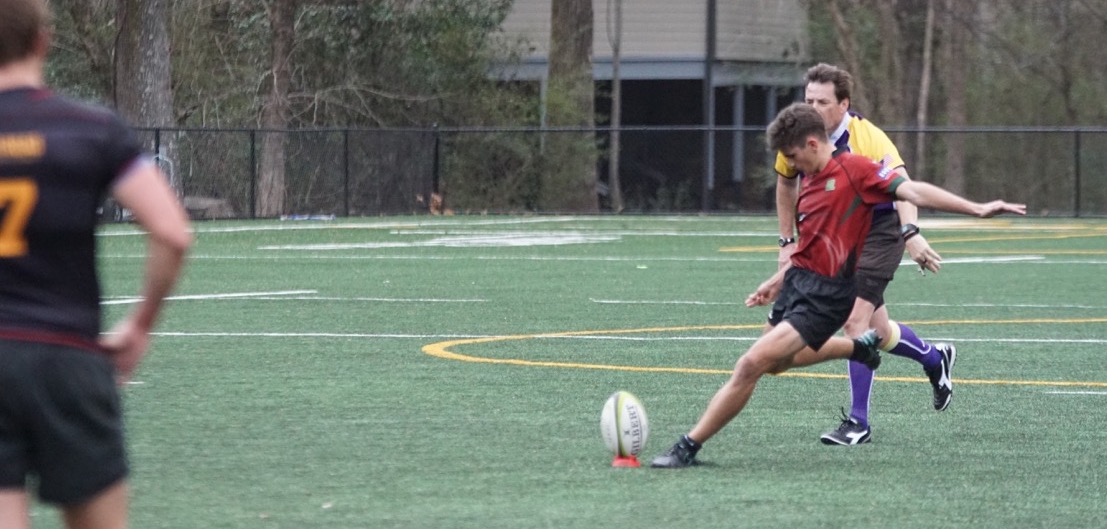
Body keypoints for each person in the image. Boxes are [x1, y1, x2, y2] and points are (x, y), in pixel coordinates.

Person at [650, 102, 1024, 468]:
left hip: (827, 296)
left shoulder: (856, 171)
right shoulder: (810, 179)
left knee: (749, 364)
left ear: (813, 144)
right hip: (799, 283)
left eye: (793, 156)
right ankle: (855, 349)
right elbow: (812, 242)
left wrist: (976, 208)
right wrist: (778, 280)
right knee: (775, 366)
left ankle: (688, 446)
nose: (791, 165)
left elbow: (913, 190)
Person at [0, 1, 192, 527]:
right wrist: (140, 325)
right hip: (68, 357)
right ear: (44, 42)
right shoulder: (90, 128)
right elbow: (173, 232)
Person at [775, 63, 952, 446]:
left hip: (881, 229)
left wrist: (912, 234)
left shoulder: (868, 139)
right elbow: (786, 182)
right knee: (880, 331)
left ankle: (858, 422)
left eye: (822, 102)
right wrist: (786, 242)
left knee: (855, 325)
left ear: (844, 104)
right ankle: (935, 359)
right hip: (842, 234)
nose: (813, 108)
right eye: (808, 100)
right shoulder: (799, 137)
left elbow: (904, 187)